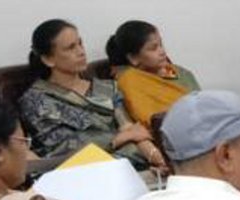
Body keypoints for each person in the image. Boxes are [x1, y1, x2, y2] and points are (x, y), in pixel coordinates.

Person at [19, 19, 164, 168]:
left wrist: (156, 157)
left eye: (80, 44)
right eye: (71, 48)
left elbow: (130, 129)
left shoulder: (106, 88)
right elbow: (61, 150)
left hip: (132, 162)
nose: (81, 52)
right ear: (48, 59)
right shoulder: (37, 100)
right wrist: (119, 139)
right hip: (84, 170)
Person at [106, 20, 200, 124]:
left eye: (161, 45)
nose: (162, 52)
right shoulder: (131, 80)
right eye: (153, 48)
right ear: (133, 58)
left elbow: (200, 101)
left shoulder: (178, 72)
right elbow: (151, 120)